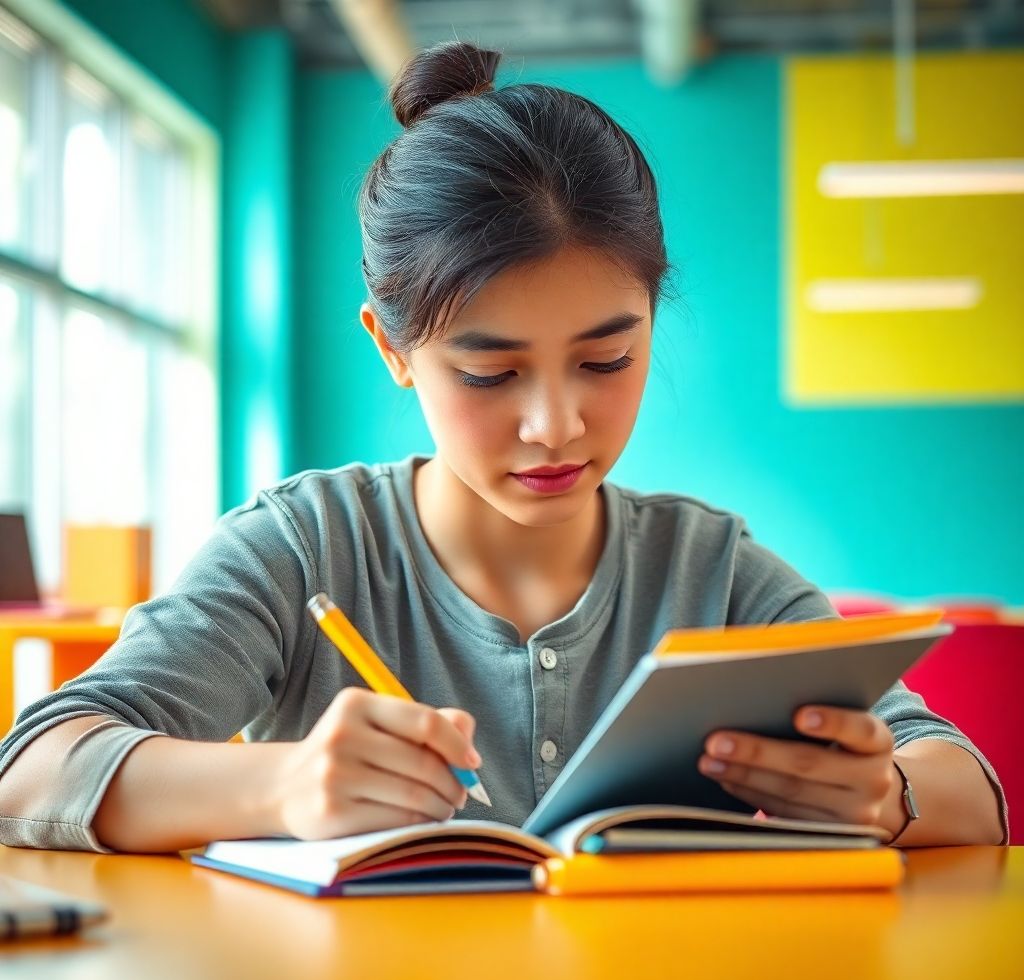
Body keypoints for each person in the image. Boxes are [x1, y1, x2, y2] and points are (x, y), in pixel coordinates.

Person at [0, 42, 1006, 853]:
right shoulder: (304, 547)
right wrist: (281, 780)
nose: (556, 425)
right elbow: (30, 768)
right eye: (490, 373)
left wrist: (887, 798)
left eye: (608, 359)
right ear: (392, 347)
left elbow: (972, 790)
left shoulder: (712, 572)